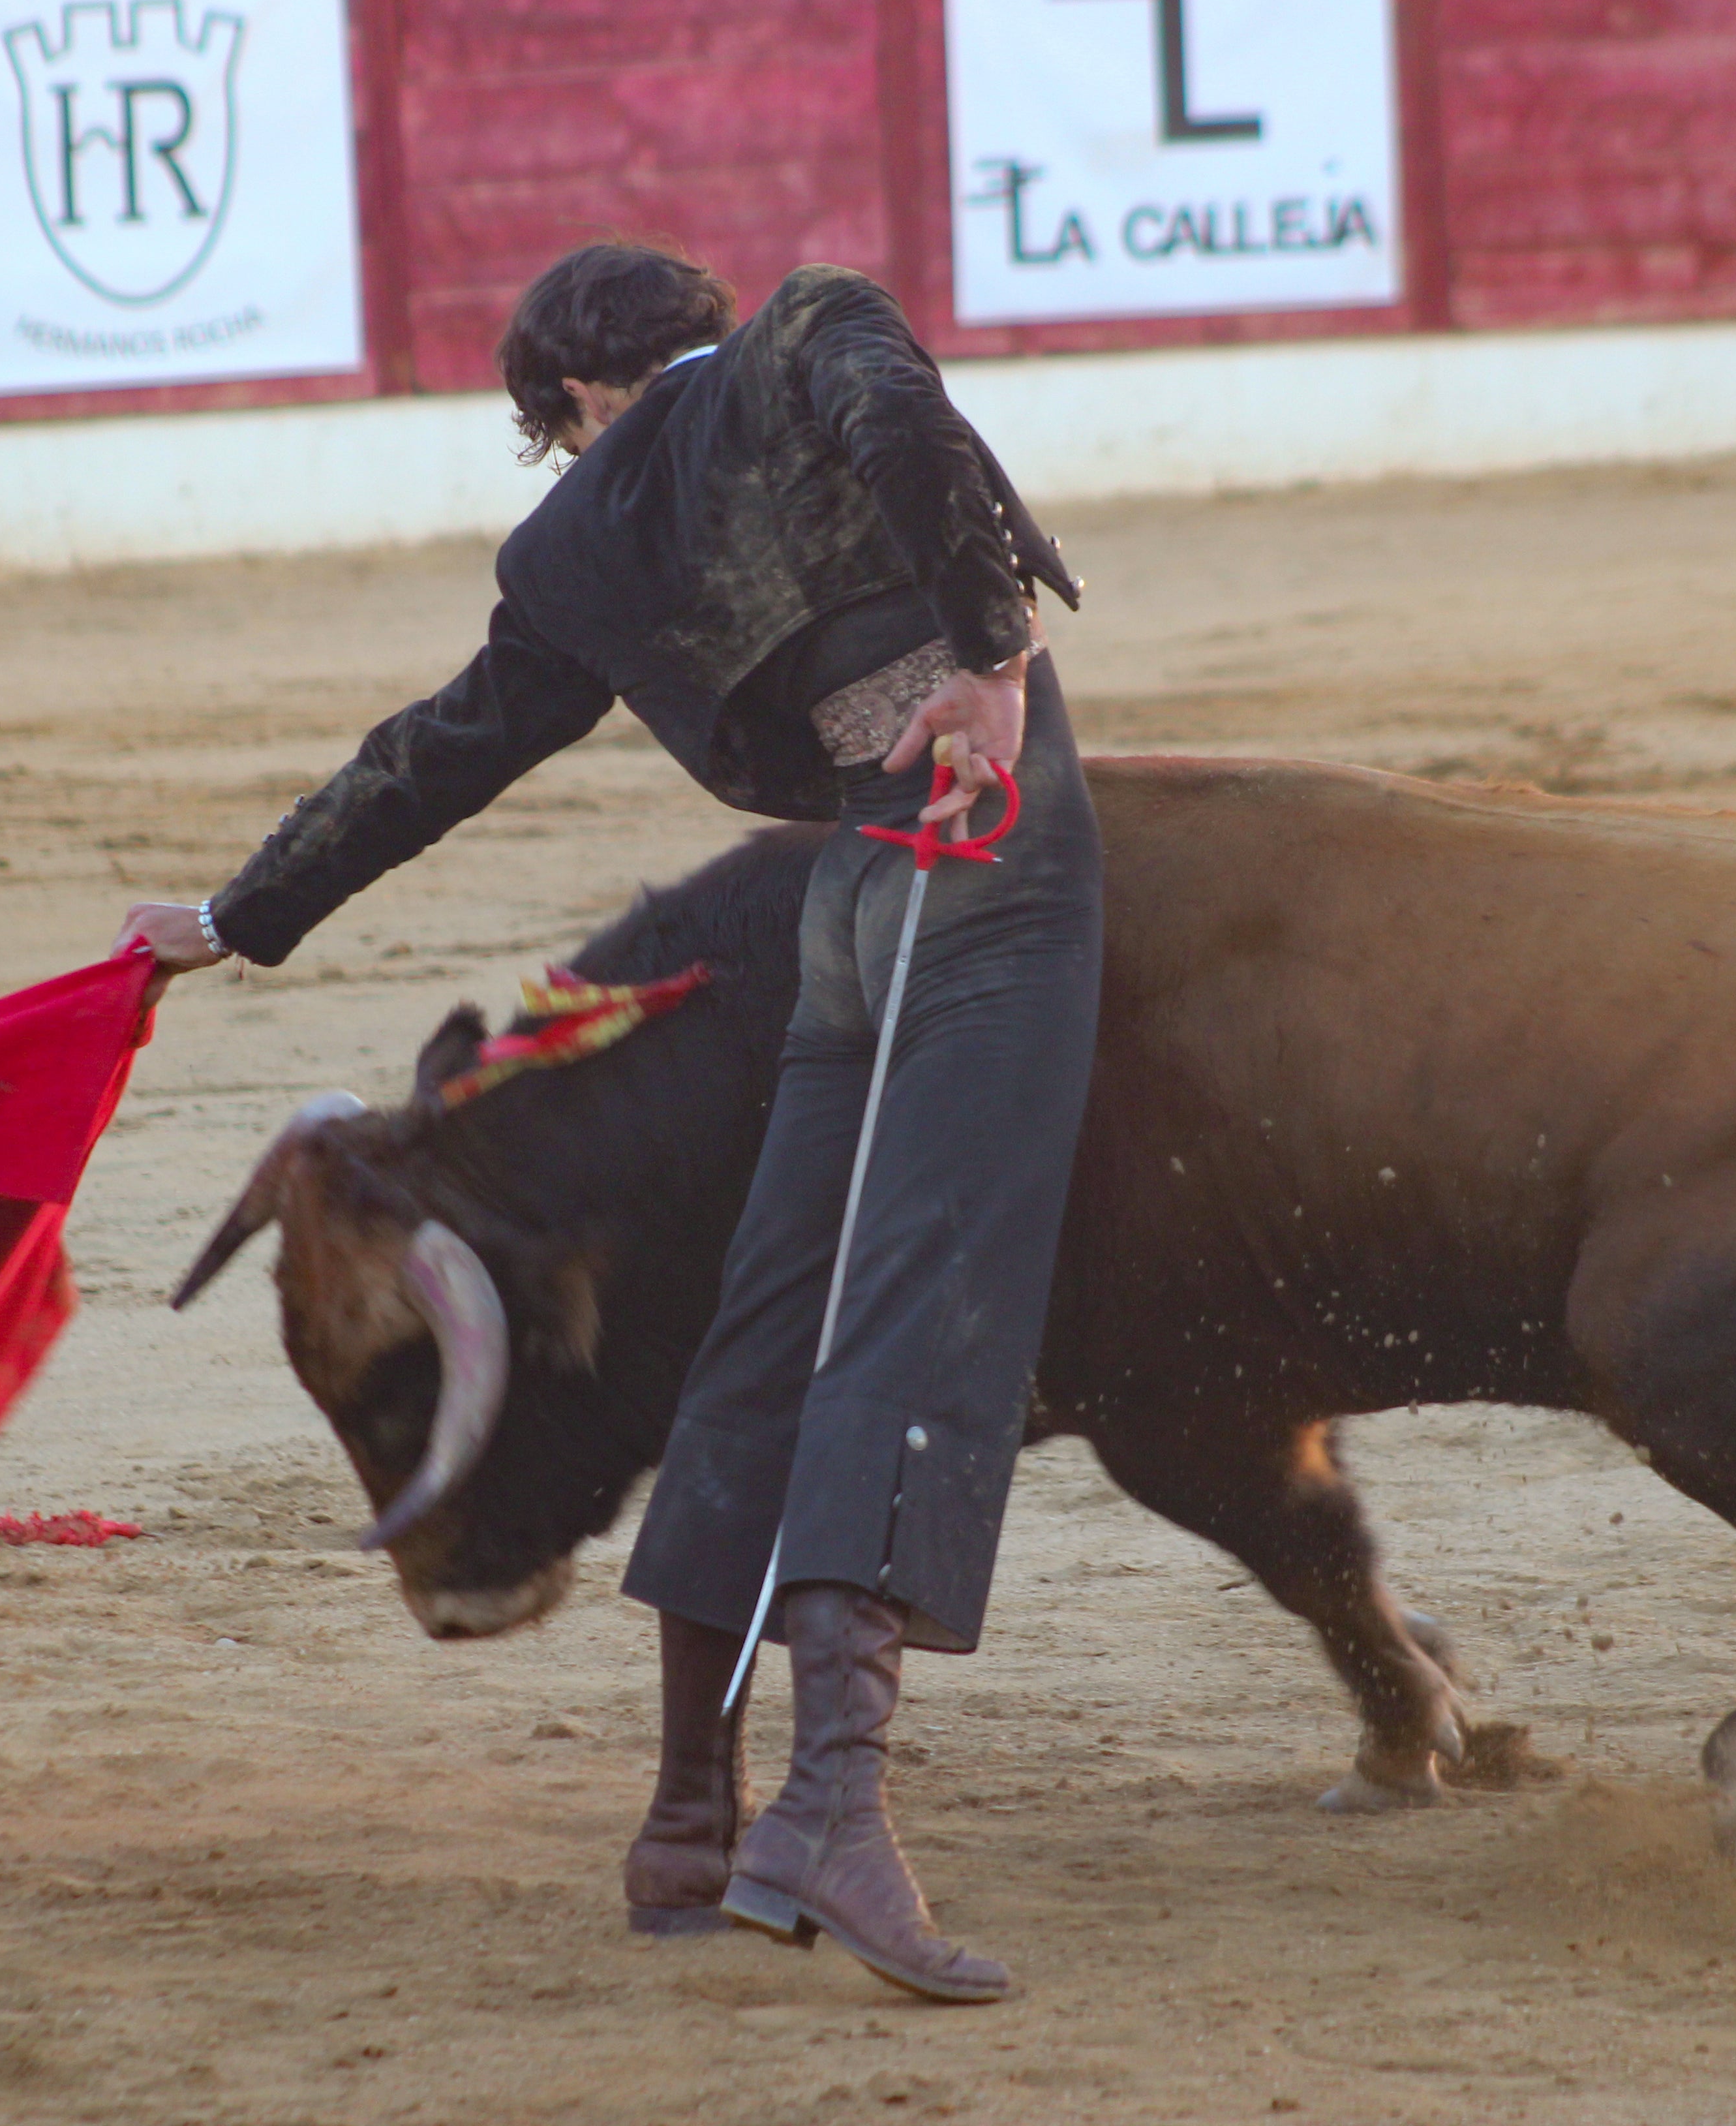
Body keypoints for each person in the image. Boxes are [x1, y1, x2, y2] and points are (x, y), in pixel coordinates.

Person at [118, 241, 1101, 2003]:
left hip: (845, 903)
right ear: (683, 342)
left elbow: (440, 751)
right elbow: (907, 429)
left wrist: (235, 917)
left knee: (758, 1336)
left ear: (572, 398)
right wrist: (995, 655)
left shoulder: (568, 549)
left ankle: (683, 1822)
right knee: (911, 1325)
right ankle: (829, 1811)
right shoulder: (810, 331)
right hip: (983, 860)